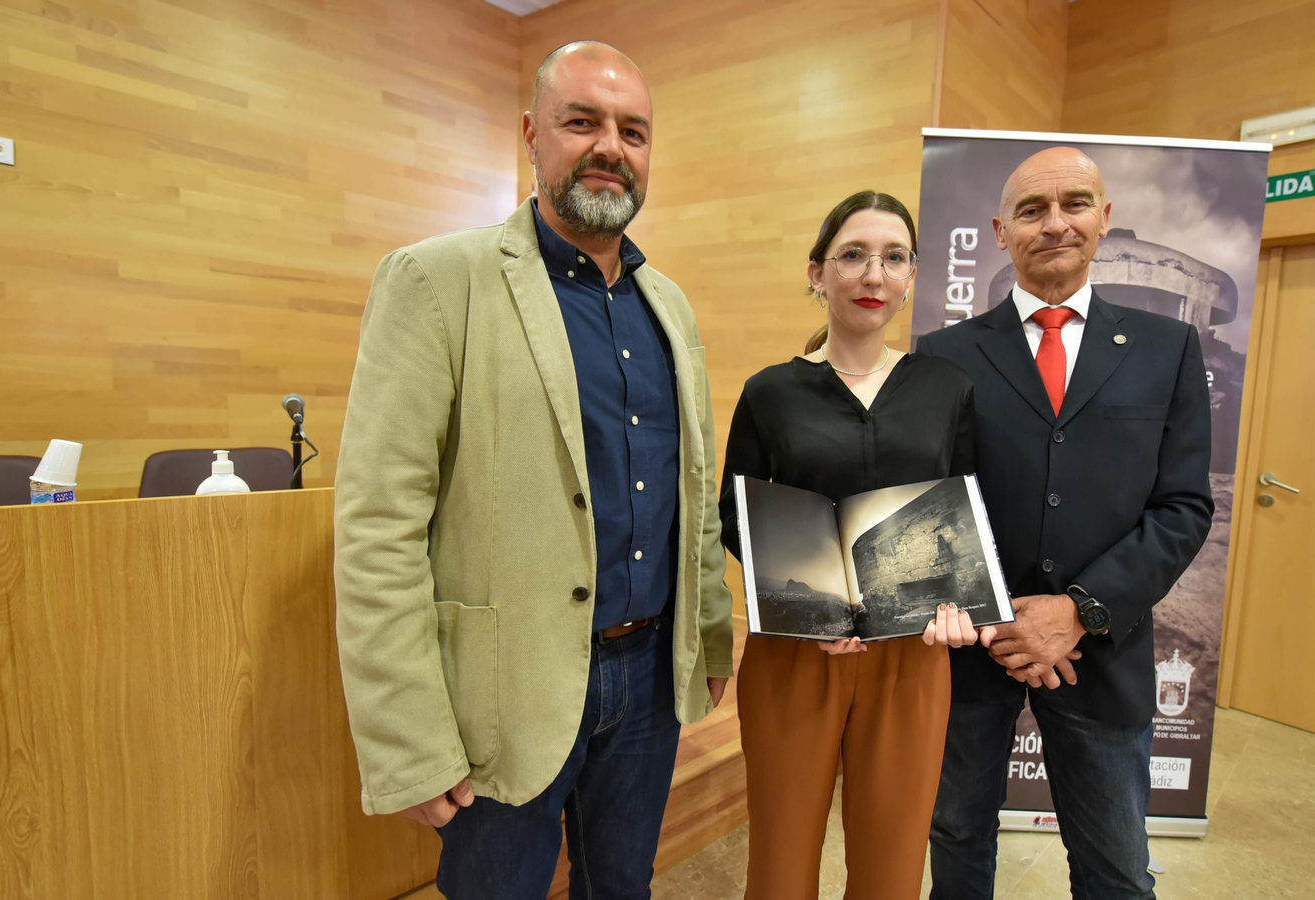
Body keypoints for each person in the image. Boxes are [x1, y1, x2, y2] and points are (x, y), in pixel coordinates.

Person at [333, 41, 733, 900]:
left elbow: (692, 493)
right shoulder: (437, 282)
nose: (609, 146)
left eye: (633, 130)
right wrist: (407, 735)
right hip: (502, 689)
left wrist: (709, 633)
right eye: (581, 121)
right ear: (531, 133)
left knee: (621, 887)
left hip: (648, 678)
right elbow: (377, 527)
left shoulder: (670, 306)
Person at [917, 146, 1215, 899]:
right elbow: (932, 503)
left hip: (1102, 651)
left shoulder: (1167, 349)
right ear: (999, 231)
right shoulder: (943, 357)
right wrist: (991, 619)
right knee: (956, 839)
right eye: (1031, 210)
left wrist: (1078, 610)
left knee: (1117, 864)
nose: (1055, 224)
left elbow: (1184, 507)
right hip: (970, 655)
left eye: (1074, 204)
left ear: (1104, 220)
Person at [719, 190, 983, 900]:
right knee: (779, 866)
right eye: (854, 255)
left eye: (894, 258)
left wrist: (961, 603)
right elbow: (734, 513)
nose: (874, 275)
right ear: (818, 273)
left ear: (912, 278)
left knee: (892, 869)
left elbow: (968, 512)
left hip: (913, 655)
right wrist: (810, 610)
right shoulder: (770, 393)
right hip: (796, 653)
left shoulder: (947, 389)